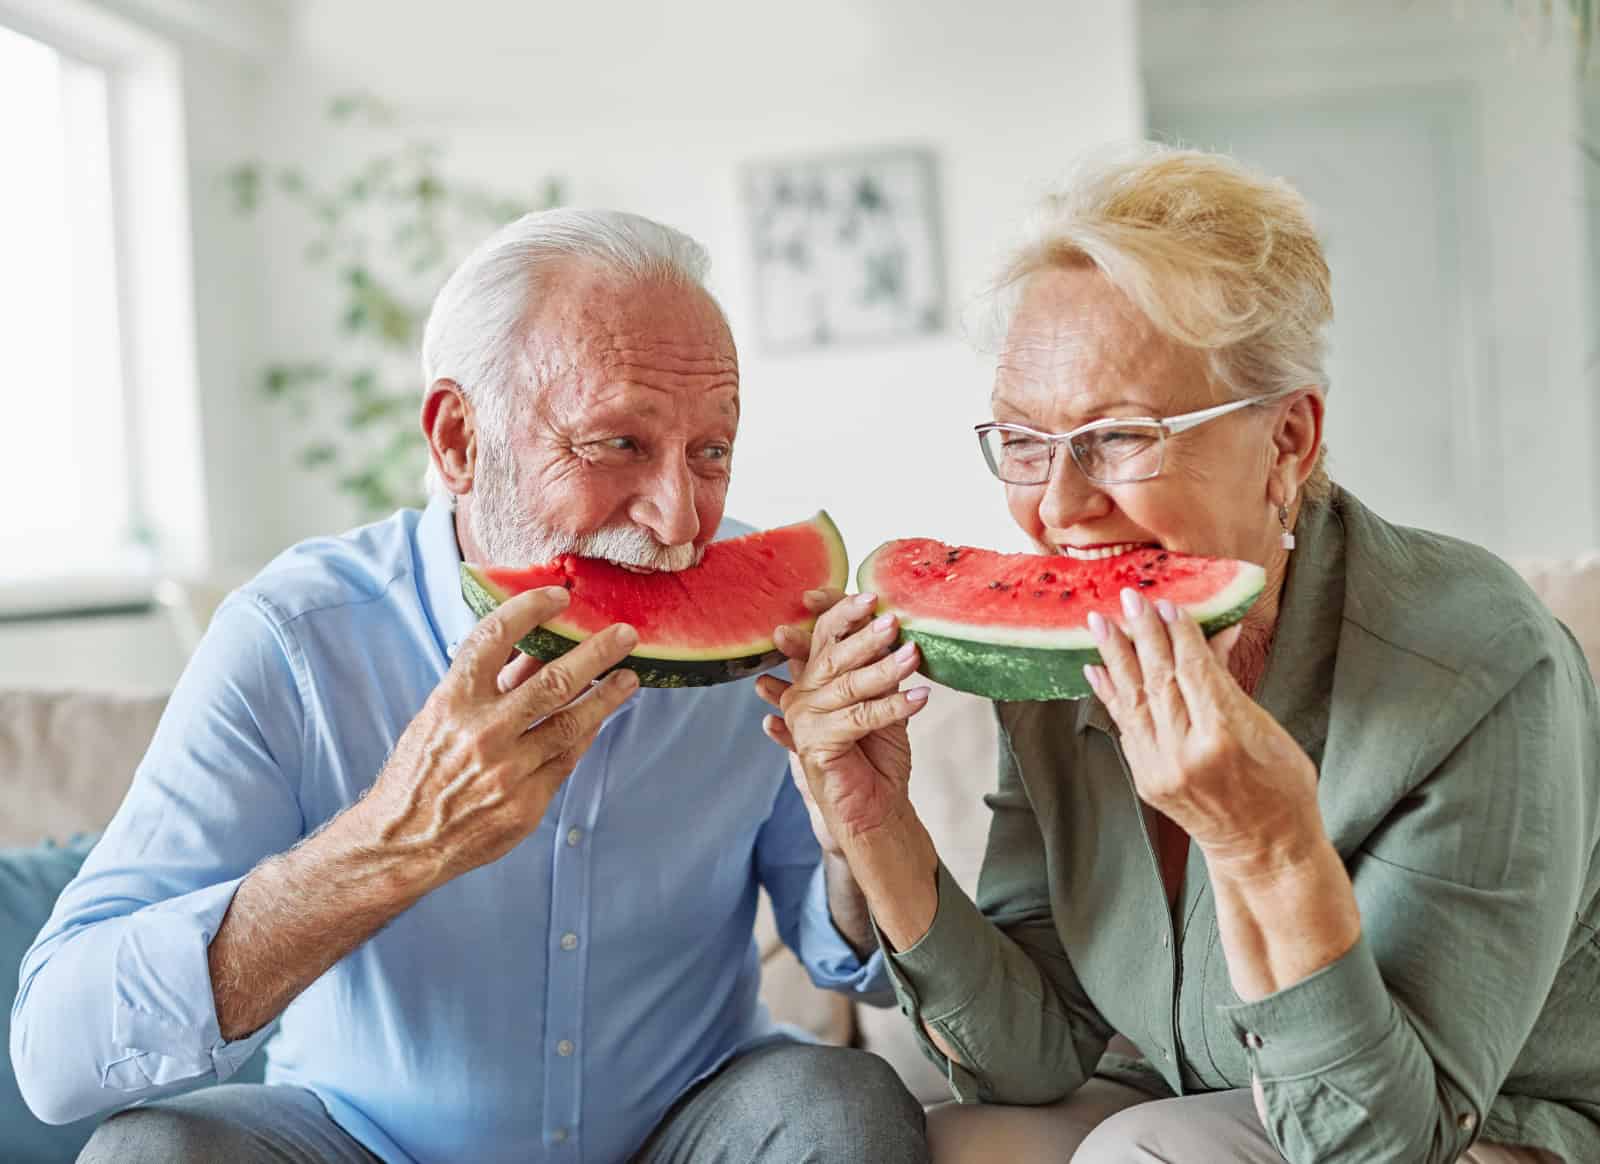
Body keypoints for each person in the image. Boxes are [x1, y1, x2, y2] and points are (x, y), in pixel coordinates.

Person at [12, 209, 928, 1164]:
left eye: (711, 452)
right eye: (617, 442)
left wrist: (857, 838)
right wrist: (393, 841)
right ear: (458, 439)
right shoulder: (292, 641)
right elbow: (55, 1057)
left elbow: (846, 957)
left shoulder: (771, 629)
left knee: (841, 1103)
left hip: (687, 1129)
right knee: (149, 1154)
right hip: (360, 1140)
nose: (681, 520)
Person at [763, 146, 1599, 1164]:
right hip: (1191, 1093)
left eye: (1119, 436)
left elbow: (1379, 1140)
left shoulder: (1479, 661)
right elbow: (1031, 1059)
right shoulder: (1060, 659)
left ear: (1287, 442)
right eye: (1022, 442)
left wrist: (1267, 848)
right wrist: (873, 822)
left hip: (1475, 1135)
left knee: (1144, 1152)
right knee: (937, 1147)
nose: (1061, 510)